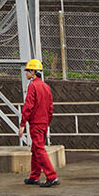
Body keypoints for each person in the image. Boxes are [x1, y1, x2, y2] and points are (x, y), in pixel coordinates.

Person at [19, 58, 58, 187]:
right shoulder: (46, 87)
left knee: (39, 149)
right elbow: (50, 107)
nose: (26, 74)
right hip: (44, 122)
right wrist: (47, 121)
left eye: (28, 71)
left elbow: (28, 106)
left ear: (33, 72)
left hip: (36, 123)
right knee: (36, 149)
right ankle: (34, 176)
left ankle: (51, 176)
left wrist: (22, 124)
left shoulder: (33, 86)